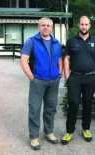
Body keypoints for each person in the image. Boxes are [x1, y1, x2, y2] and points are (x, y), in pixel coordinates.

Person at [20, 17, 63, 150]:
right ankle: (34, 137)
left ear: (51, 28)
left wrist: (59, 73)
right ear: (39, 27)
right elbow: (23, 60)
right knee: (35, 109)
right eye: (43, 25)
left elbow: (60, 58)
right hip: (38, 81)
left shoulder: (56, 42)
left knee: (50, 108)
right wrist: (32, 77)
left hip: (53, 81)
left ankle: (49, 132)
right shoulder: (31, 41)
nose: (45, 27)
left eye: (48, 25)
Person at [61, 16, 95, 145]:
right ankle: (69, 131)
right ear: (78, 25)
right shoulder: (71, 41)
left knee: (88, 104)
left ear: (90, 26)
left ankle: (86, 129)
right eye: (82, 24)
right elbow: (66, 58)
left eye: (86, 24)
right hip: (75, 77)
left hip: (90, 77)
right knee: (73, 104)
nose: (84, 27)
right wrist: (67, 76)